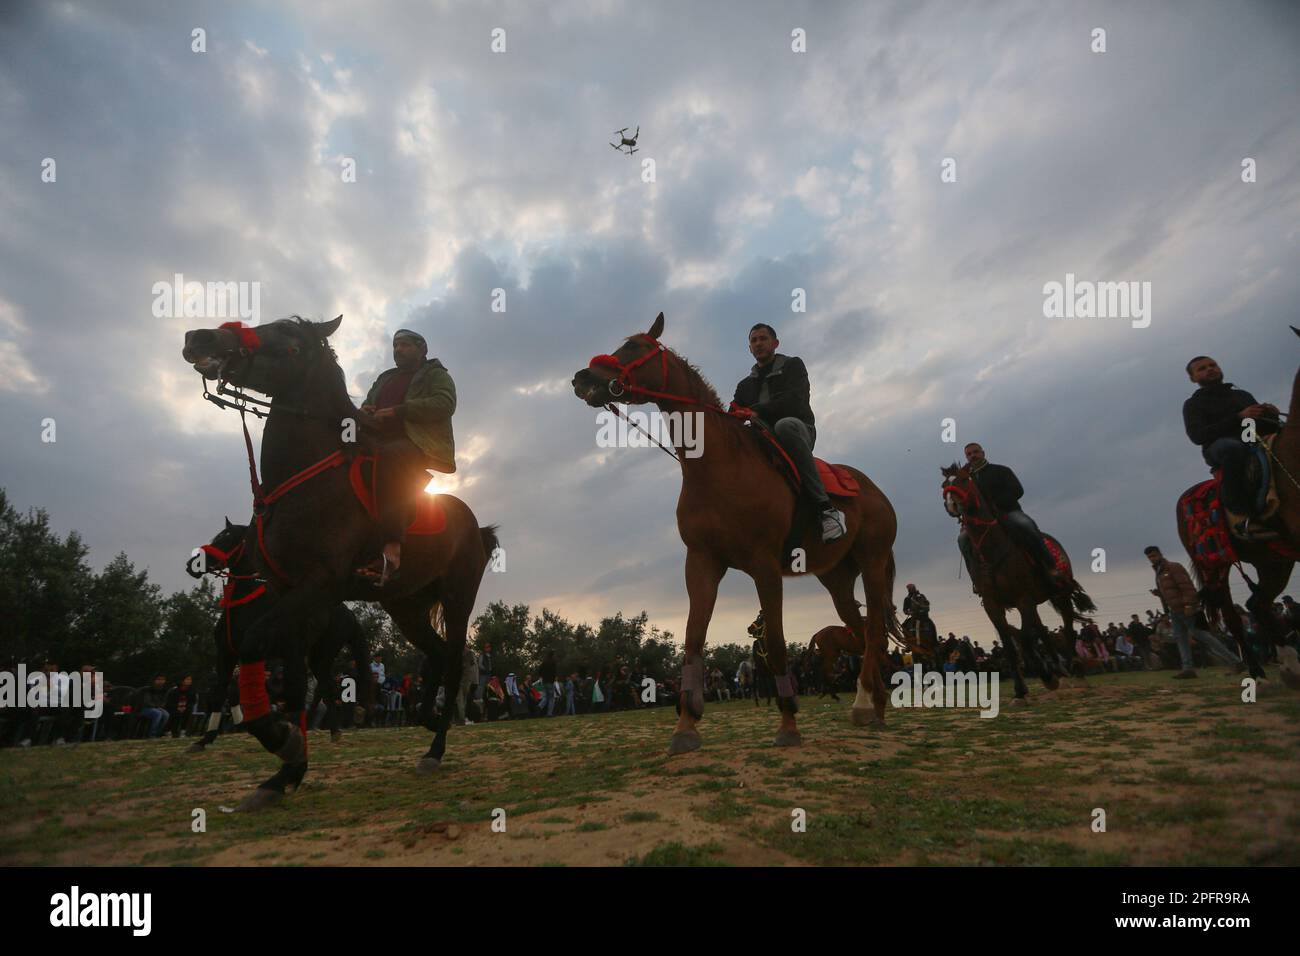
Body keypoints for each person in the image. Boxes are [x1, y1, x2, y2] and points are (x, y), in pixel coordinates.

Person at [357, 329, 458, 585]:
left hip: (415, 443)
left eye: (404, 345)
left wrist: (399, 411)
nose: (397, 350)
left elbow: (445, 404)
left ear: (422, 348)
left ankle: (392, 548)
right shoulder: (385, 377)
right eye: (395, 345)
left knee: (390, 456)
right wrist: (365, 411)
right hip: (375, 439)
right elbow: (367, 403)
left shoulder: (436, 374)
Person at [730, 323, 845, 542]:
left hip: (798, 431)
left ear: (775, 343)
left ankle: (826, 510)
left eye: (763, 338)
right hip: (763, 439)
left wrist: (754, 411)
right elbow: (733, 412)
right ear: (749, 349)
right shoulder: (743, 386)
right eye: (754, 341)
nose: (758, 344)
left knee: (785, 426)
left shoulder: (793, 365)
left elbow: (796, 401)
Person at [1182, 355, 1280, 531]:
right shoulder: (1193, 404)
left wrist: (1270, 415)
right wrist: (1238, 417)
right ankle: (1241, 513)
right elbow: (1197, 436)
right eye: (1202, 368)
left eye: (1213, 365)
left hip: (1249, 439)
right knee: (1234, 449)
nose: (1210, 369)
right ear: (1193, 378)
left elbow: (1255, 427)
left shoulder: (1242, 395)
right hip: (1218, 446)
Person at [957, 442, 1063, 593]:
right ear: (966, 457)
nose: (973, 455)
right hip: (982, 521)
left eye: (976, 452)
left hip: (1008, 512)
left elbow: (1017, 490)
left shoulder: (1001, 471)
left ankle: (1050, 566)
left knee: (1027, 525)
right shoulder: (967, 480)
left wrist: (995, 504)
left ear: (983, 453)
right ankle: (977, 579)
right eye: (969, 454)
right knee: (962, 540)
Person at [1144, 545, 1240, 677]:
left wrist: (1189, 604)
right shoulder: (1160, 572)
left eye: (1153, 555)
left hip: (1185, 609)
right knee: (1181, 639)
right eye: (1149, 557)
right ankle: (1188, 668)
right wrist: (1160, 594)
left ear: (1160, 554)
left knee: (1202, 636)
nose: (1152, 559)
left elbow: (1186, 586)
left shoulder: (1173, 567)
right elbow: (1172, 590)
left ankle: (1234, 661)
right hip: (1175, 610)